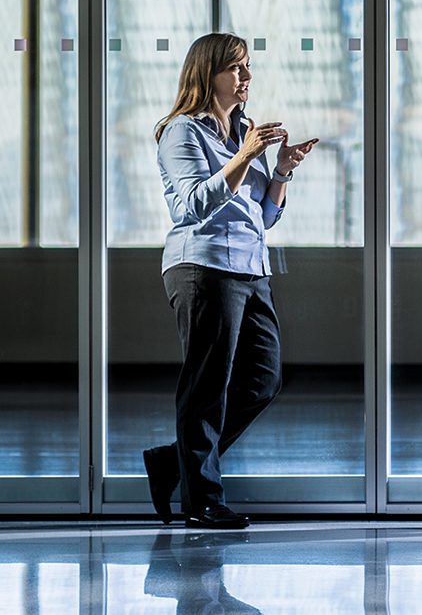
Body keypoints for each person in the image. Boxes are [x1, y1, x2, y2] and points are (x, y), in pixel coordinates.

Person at [142, 32, 318, 530]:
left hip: (249, 266)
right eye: (235, 68)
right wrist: (244, 158)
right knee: (207, 384)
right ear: (207, 74)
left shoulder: (243, 130)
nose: (246, 77)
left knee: (263, 377)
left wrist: (281, 171)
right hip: (203, 266)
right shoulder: (182, 131)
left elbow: (261, 217)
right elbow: (191, 205)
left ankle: (171, 462)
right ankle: (200, 499)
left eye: (247, 67)